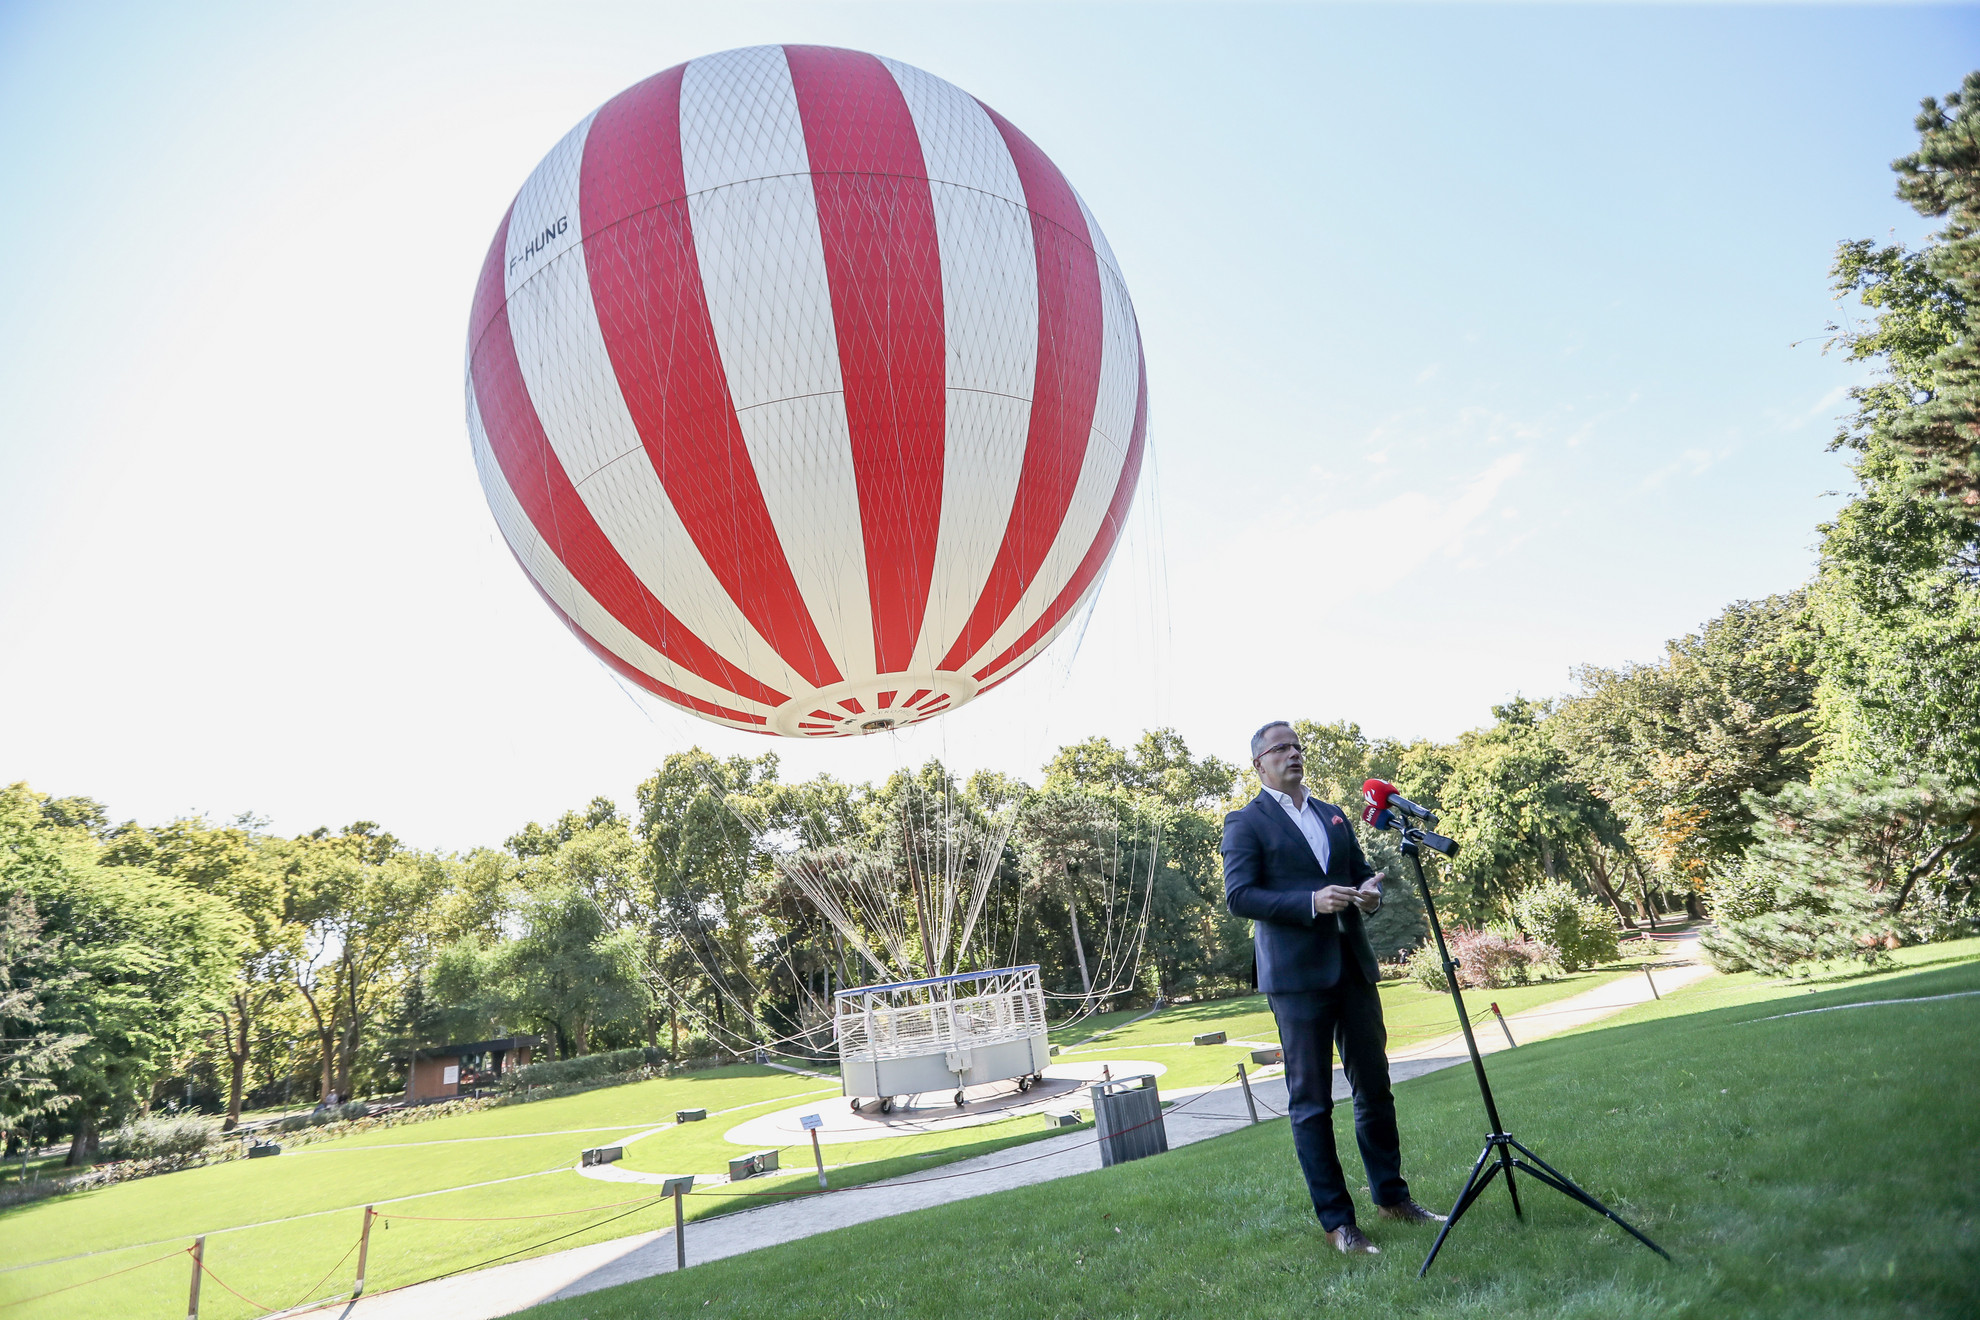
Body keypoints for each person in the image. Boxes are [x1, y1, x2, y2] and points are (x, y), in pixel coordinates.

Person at [1222, 720, 1445, 1255]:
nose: (1293, 754)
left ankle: (1392, 1197)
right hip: (1297, 979)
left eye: (1297, 746)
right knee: (1312, 1103)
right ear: (1259, 764)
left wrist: (1370, 893)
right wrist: (1309, 903)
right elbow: (1239, 896)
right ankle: (1339, 1224)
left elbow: (1363, 873)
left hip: (1352, 965)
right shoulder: (1243, 822)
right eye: (1280, 748)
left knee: (1375, 1087)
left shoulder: (1333, 815)